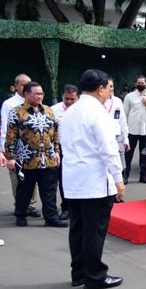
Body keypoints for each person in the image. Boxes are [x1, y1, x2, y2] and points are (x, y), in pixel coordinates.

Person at [60, 69, 125, 289]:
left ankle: (78, 273)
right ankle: (95, 276)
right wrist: (119, 179)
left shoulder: (70, 111)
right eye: (109, 88)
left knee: (77, 229)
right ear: (100, 88)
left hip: (73, 179)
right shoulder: (97, 113)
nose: (109, 93)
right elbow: (109, 150)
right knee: (93, 232)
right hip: (95, 182)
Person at [4, 81, 67, 228]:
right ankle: (20, 214)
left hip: (49, 158)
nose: (40, 96)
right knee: (25, 189)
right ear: (26, 94)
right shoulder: (17, 112)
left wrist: (57, 151)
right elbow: (10, 136)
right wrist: (10, 157)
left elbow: (55, 132)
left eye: (41, 93)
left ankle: (51, 217)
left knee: (49, 190)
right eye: (37, 93)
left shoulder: (48, 110)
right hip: (27, 159)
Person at [0, 73, 41, 218]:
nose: (26, 87)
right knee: (17, 177)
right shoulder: (9, 104)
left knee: (34, 177)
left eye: (28, 84)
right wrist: (4, 151)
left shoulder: (37, 102)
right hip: (16, 148)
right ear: (16, 86)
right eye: (23, 84)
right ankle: (21, 205)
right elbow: (4, 127)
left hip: (34, 148)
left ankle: (31, 204)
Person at [123, 75, 146, 184]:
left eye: (142, 83)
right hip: (132, 130)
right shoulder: (129, 97)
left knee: (144, 155)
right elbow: (125, 114)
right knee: (128, 155)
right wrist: (124, 130)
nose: (140, 84)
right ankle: (125, 176)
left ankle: (144, 176)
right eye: (138, 83)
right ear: (136, 83)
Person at [51, 84, 79, 220]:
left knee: (78, 179)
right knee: (63, 179)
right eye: (66, 98)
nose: (68, 102)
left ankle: (78, 207)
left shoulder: (82, 111)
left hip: (78, 149)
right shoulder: (53, 110)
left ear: (77, 98)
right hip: (60, 149)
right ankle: (66, 208)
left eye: (72, 99)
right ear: (62, 96)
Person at [104, 78, 130, 182]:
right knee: (108, 169)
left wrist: (126, 139)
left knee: (121, 167)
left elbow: (123, 122)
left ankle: (119, 193)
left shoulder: (118, 101)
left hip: (117, 138)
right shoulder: (98, 103)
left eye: (111, 86)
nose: (110, 89)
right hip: (105, 139)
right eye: (108, 86)